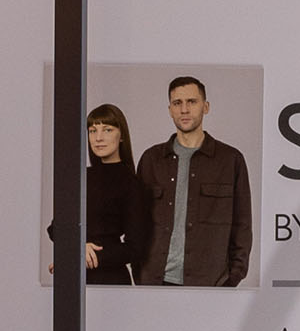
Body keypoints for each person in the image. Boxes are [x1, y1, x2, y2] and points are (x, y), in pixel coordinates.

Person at [136, 77, 253, 287]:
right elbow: (137, 224)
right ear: (170, 110)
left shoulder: (230, 160)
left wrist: (232, 278)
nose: (184, 110)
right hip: (155, 282)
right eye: (177, 103)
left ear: (205, 107)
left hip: (209, 285)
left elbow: (242, 225)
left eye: (192, 101)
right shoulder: (151, 160)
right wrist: (141, 274)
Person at [80, 102, 149, 283]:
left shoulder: (131, 183)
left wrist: (86, 256)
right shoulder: (80, 177)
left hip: (109, 279)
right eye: (92, 131)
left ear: (121, 136)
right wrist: (75, 250)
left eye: (107, 130)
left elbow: (135, 248)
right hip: (74, 275)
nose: (98, 138)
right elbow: (56, 227)